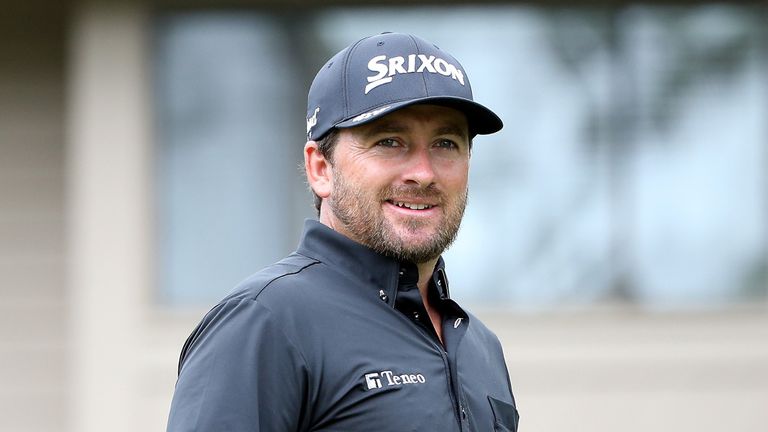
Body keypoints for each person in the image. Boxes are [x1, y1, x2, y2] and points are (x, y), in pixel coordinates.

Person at [166, 32, 519, 432]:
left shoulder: (480, 348)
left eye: (445, 143)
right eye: (389, 141)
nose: (423, 173)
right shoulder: (264, 323)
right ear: (321, 168)